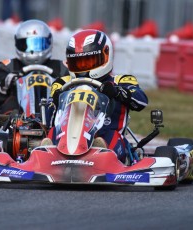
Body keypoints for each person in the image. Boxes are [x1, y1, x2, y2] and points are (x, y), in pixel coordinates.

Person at [49, 29, 148, 163]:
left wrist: (117, 92)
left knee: (108, 139)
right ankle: (47, 150)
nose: (84, 67)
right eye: (78, 63)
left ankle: (99, 152)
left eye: (89, 61)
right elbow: (52, 101)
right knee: (52, 132)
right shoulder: (64, 82)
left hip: (106, 134)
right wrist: (57, 96)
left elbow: (141, 101)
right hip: (67, 135)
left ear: (106, 55)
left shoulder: (121, 81)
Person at [0, 19, 69, 115]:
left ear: (49, 42)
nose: (33, 50)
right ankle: (13, 122)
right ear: (18, 44)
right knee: (10, 105)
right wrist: (5, 85)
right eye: (28, 45)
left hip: (55, 112)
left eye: (38, 44)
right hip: (18, 114)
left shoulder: (62, 68)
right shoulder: (7, 67)